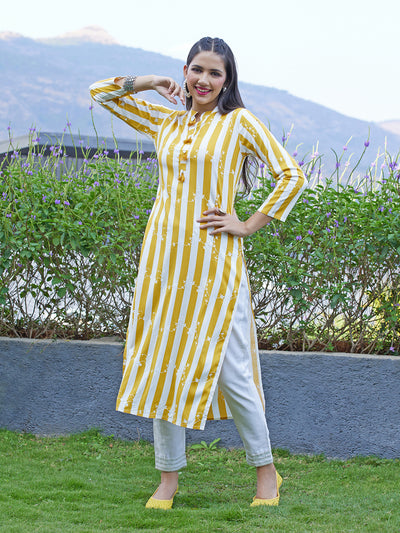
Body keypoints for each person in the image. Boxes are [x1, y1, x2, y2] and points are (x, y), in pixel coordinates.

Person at [90, 36, 307, 510]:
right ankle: (168, 479)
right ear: (184, 72)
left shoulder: (239, 123)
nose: (203, 80)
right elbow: (100, 93)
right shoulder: (166, 120)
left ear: (227, 81)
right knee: (162, 365)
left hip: (214, 264)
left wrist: (246, 224)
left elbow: (291, 175)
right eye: (196, 70)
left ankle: (266, 472)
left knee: (232, 371)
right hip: (163, 265)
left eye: (215, 73)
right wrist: (150, 81)